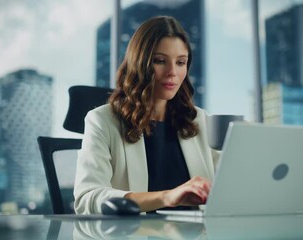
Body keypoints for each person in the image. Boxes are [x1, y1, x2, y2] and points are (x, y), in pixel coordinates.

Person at [74, 16, 219, 214]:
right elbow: (87, 198)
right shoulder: (102, 121)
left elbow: (228, 186)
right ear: (139, 63)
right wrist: (167, 197)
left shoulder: (199, 121)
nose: (172, 72)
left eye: (180, 62)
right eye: (160, 61)